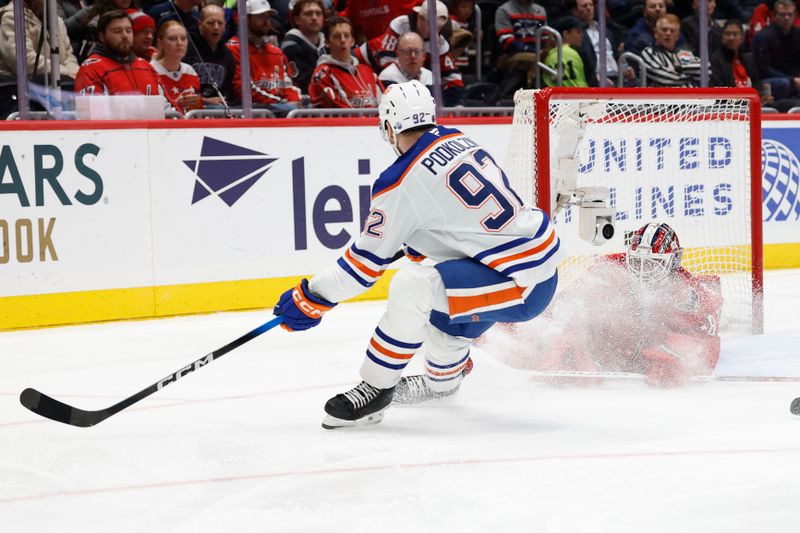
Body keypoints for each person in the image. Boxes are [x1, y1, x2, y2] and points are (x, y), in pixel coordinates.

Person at [272, 80, 563, 429]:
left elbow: (360, 268)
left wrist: (311, 296)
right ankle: (444, 381)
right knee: (438, 320)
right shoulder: (456, 138)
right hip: (530, 260)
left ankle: (377, 388)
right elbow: (452, 224)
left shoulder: (400, 181)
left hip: (520, 282)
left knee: (414, 285)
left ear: (388, 127)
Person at [509, 222, 722, 388]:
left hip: (644, 348)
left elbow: (706, 347)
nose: (642, 270)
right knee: (572, 324)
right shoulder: (610, 268)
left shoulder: (689, 294)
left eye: (651, 263)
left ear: (673, 261)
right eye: (637, 261)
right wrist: (551, 334)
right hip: (610, 343)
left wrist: (672, 360)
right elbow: (567, 301)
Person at [355, 0, 465, 107]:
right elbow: (386, 61)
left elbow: (454, 80)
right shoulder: (401, 24)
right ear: (420, 18)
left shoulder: (440, 44)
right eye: (431, 25)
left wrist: (454, 103)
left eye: (438, 28)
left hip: (396, 71)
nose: (434, 31)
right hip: (365, 60)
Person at [226, 0, 301, 109]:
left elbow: (287, 85)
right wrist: (280, 104)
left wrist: (294, 101)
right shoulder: (234, 48)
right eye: (261, 17)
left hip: (280, 110)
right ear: (246, 19)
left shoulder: (276, 52)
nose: (267, 22)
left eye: (268, 17)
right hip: (252, 113)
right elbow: (243, 89)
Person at [74, 10, 161, 95]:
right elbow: (90, 108)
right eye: (117, 31)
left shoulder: (146, 66)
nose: (125, 36)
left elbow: (166, 106)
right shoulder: (91, 69)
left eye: (128, 30)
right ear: (102, 37)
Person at [308, 15, 382, 108]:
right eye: (337, 36)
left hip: (374, 122)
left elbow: (385, 104)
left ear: (352, 41)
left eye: (346, 36)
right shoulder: (322, 75)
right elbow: (340, 113)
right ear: (326, 42)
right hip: (348, 122)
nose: (343, 40)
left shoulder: (368, 71)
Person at [184, 3, 237, 106]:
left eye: (220, 23)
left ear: (225, 26)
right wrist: (205, 101)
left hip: (218, 111)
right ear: (200, 24)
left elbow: (229, 93)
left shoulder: (228, 56)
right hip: (191, 108)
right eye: (211, 23)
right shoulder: (187, 48)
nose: (216, 27)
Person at [494, 0, 547, 96]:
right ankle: (533, 94)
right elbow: (507, 42)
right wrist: (534, 50)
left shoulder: (540, 10)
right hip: (509, 55)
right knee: (534, 59)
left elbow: (545, 38)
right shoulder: (504, 10)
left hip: (536, 52)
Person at [151, 20, 202, 114]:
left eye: (183, 38)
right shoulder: (150, 71)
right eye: (172, 38)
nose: (179, 43)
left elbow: (197, 109)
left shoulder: (190, 71)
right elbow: (153, 112)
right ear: (160, 43)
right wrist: (176, 104)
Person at [753, 0, 800, 100]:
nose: (786, 18)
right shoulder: (763, 36)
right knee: (784, 83)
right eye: (782, 14)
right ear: (774, 15)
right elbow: (764, 69)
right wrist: (792, 80)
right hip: (769, 79)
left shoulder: (798, 34)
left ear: (794, 16)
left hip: (794, 77)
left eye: (789, 14)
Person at [641, 14, 702, 87]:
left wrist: (678, 69)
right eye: (664, 30)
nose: (668, 33)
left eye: (672, 31)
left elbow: (705, 71)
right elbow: (664, 78)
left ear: (678, 36)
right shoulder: (649, 53)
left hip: (690, 97)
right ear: (656, 33)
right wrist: (690, 77)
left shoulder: (685, 54)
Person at [280, 0, 326, 94]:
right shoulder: (290, 46)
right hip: (304, 102)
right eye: (308, 14)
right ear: (297, 20)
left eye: (318, 13)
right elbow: (300, 83)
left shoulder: (329, 42)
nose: (314, 17)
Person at [542, 15, 598, 87]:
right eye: (578, 32)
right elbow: (592, 80)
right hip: (580, 96)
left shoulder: (546, 56)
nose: (582, 35)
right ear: (566, 34)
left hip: (554, 97)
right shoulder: (579, 52)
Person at [338, 0, 420, 42]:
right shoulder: (356, 2)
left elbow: (424, 5)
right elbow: (346, 17)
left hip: (400, 48)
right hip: (373, 52)